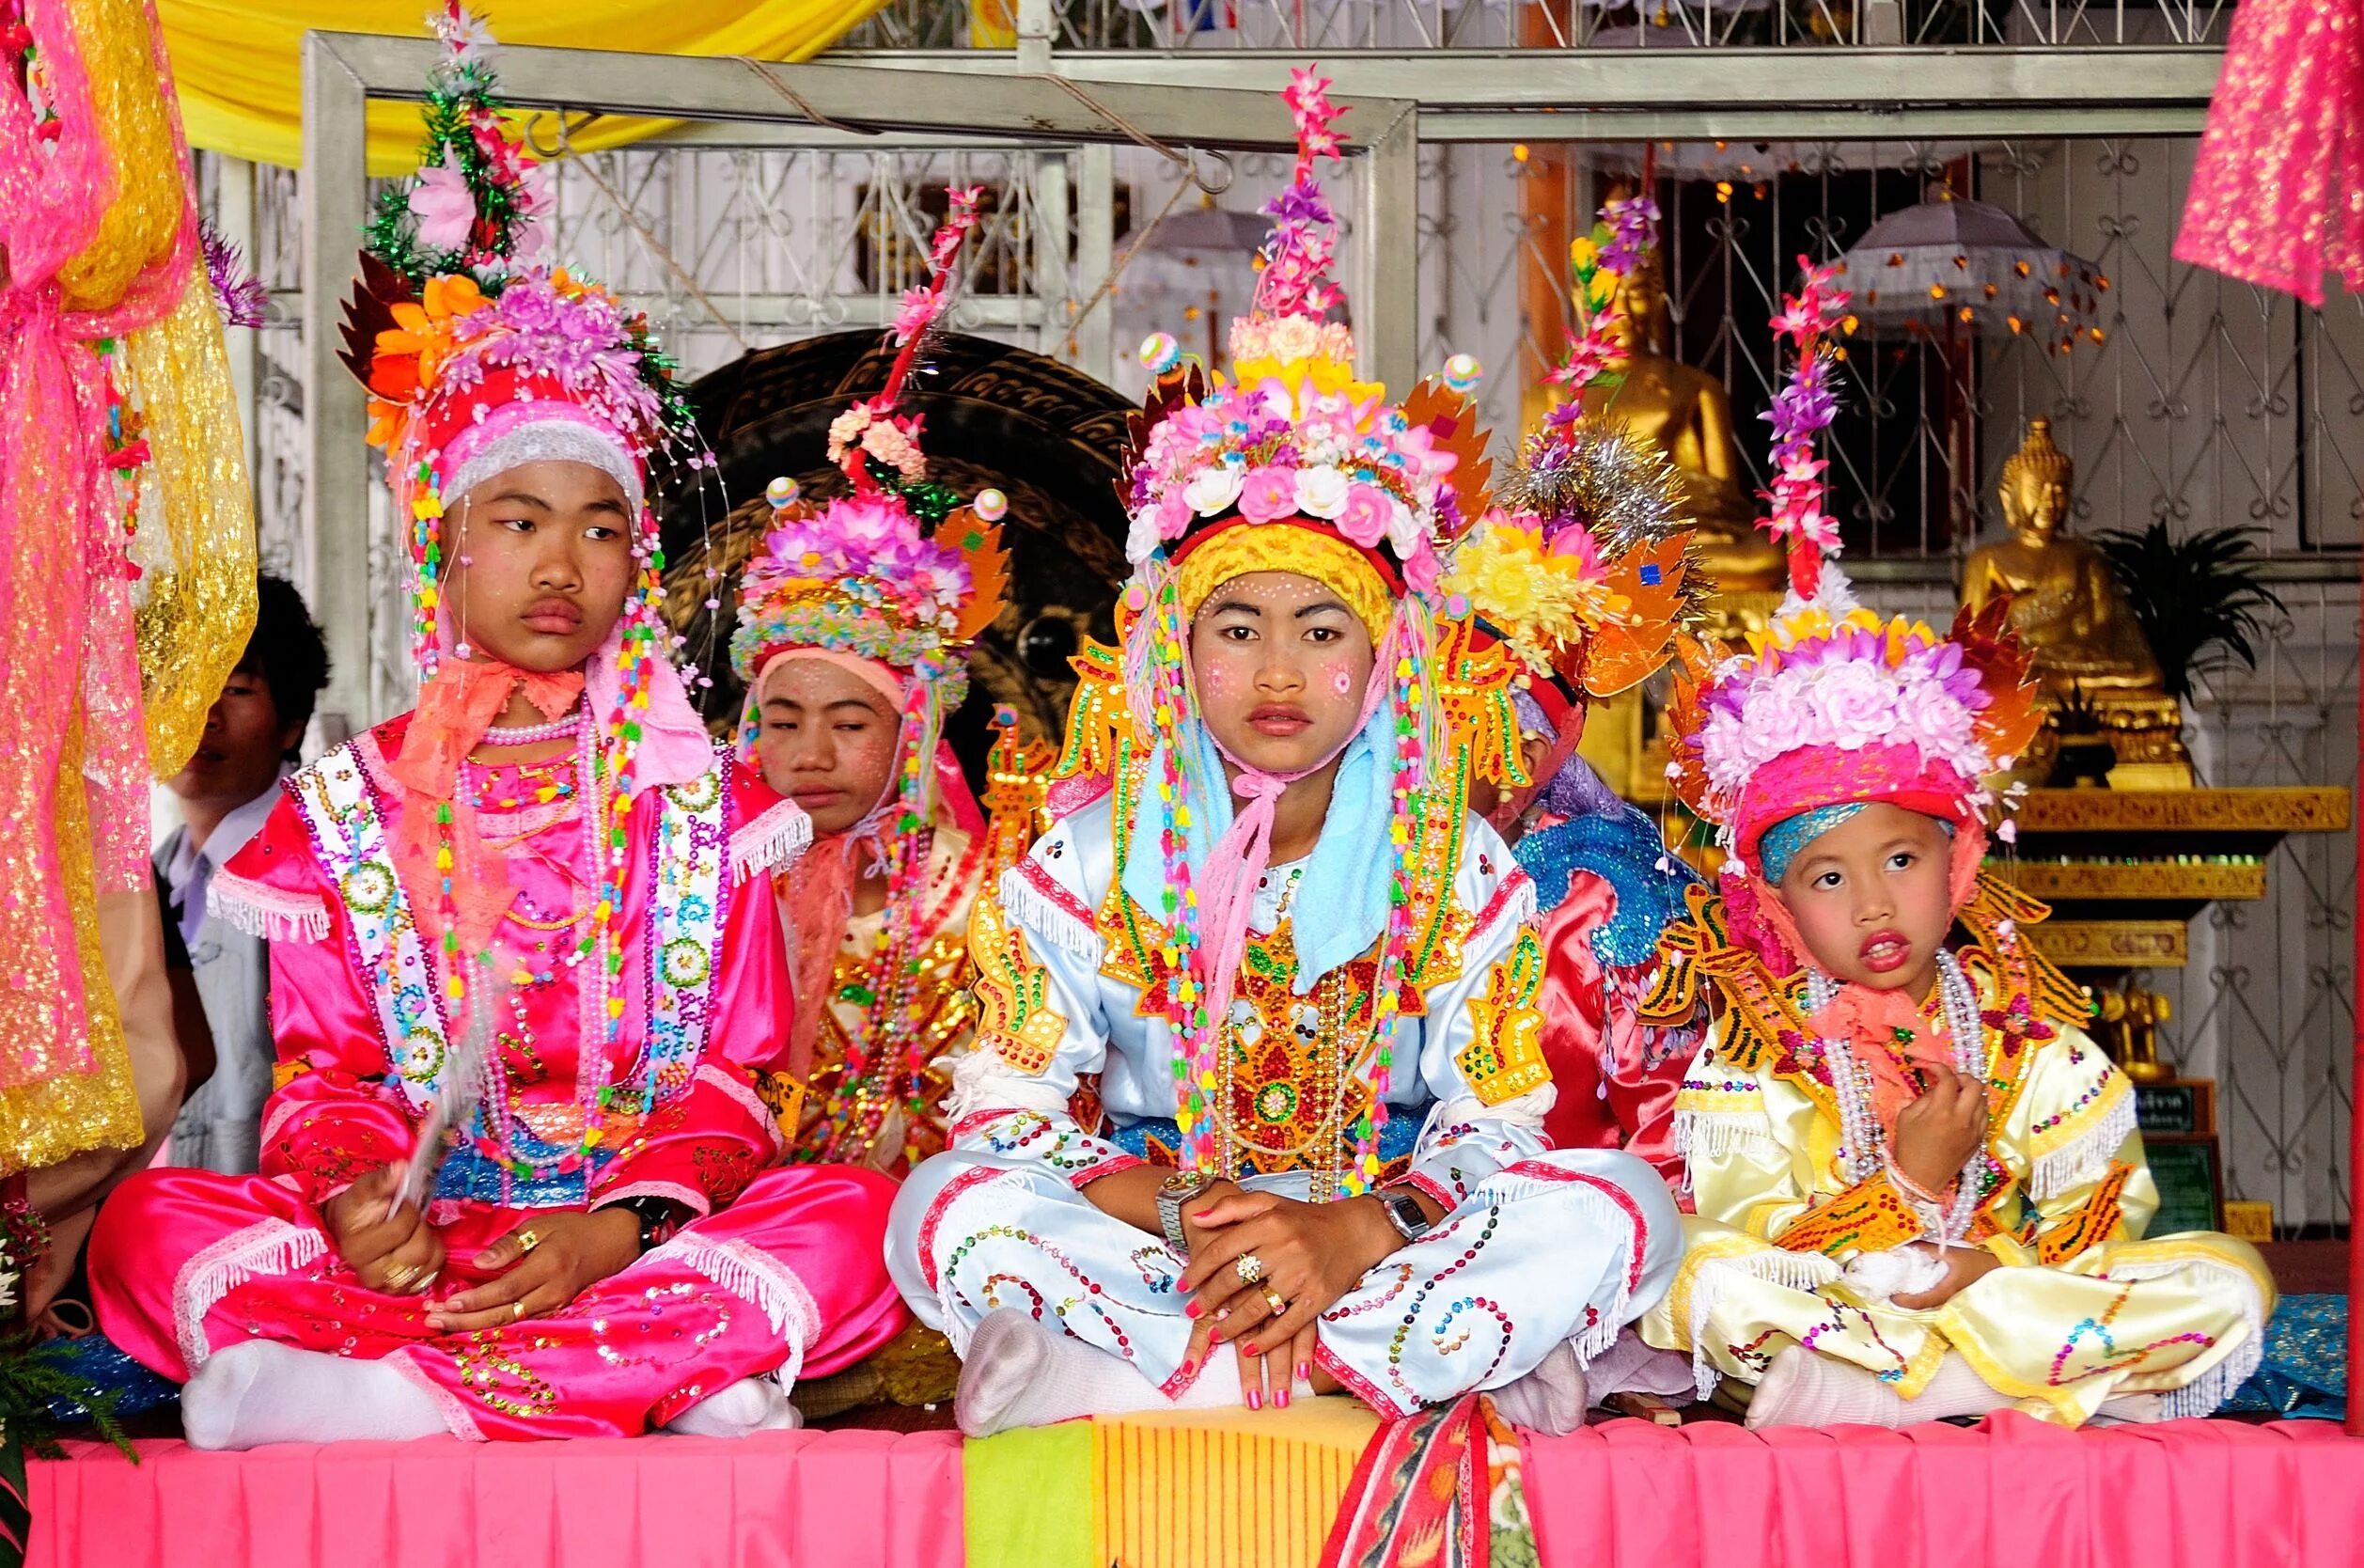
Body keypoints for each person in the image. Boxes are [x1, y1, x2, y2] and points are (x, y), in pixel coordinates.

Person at [86, 10, 903, 1448]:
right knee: (148, 1220)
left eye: (598, 530)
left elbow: (733, 1077)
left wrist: (610, 1230)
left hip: (630, 1245)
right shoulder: (345, 810)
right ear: (444, 551)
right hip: (421, 1244)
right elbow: (330, 1079)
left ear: (634, 565)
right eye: (517, 524)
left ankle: (384, 1391)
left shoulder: (706, 803)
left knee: (858, 1220)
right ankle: (656, 1379)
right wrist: (359, 1198)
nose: (557, 568)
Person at [885, 70, 1678, 1440]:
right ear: (1174, 652)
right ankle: (1355, 1363)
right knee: (941, 1208)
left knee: (1625, 1205)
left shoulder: (1452, 862)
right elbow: (1009, 1116)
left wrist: (1347, 1233)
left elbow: (1496, 1128)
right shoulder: (1091, 853)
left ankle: (1190, 1368)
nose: (1273, 673)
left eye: (1321, 631)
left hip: (1372, 1250)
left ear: (1380, 663)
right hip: (1161, 1245)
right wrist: (1198, 1212)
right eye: (1235, 627)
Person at [1636, 263, 2274, 1429]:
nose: (1873, 904)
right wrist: (1904, 1186)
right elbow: (1744, 1232)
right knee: (1710, 1284)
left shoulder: (2041, 1050)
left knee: (2224, 1278)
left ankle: (1919, 1380)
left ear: (1958, 868)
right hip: (1840, 1300)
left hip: (1987, 1299)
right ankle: (2006, 1385)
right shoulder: (1751, 1064)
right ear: (1776, 912)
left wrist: (1983, 1263)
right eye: (1825, 879)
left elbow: (2107, 1215)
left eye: (1899, 860)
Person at [730, 192, 1005, 1174]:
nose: (808, 755)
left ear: (913, 731)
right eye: (782, 720)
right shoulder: (709, 891)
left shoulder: (982, 894)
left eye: (849, 722)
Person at [152, 573, 330, 1175]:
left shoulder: (320, 870)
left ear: (293, 721)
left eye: (235, 689)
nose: (204, 715)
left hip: (268, 1207)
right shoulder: (146, 875)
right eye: (180, 687)